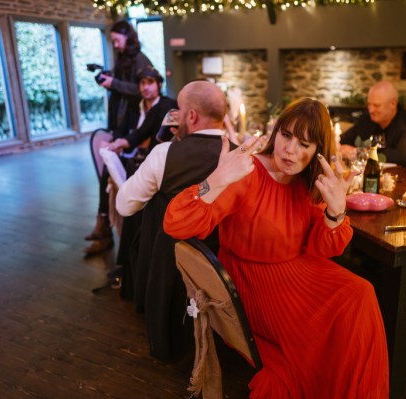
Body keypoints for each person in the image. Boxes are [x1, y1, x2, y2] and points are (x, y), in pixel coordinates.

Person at [164, 98, 389, 397]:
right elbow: (176, 225)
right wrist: (216, 180)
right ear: (276, 132)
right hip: (251, 280)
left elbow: (323, 249)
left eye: (304, 144)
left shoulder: (308, 183)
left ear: (317, 150)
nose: (290, 150)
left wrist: (336, 212)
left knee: (360, 293)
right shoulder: (247, 173)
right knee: (309, 343)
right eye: (286, 135)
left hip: (299, 270)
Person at [116, 80, 232, 362]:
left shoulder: (165, 153)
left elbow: (124, 205)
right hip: (225, 262)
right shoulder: (241, 156)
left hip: (173, 262)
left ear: (190, 116)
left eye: (179, 110)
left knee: (156, 201)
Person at [84, 20, 153, 255]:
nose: (115, 44)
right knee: (108, 173)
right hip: (121, 123)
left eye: (117, 40)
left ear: (127, 36)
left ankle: (104, 225)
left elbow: (139, 89)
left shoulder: (141, 60)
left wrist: (114, 83)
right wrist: (110, 81)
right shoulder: (124, 59)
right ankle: (104, 224)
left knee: (110, 173)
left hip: (132, 126)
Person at [340, 80, 406, 167]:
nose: (371, 110)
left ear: (393, 104)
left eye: (376, 105)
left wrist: (360, 153)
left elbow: (404, 155)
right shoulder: (366, 119)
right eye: (369, 104)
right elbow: (343, 140)